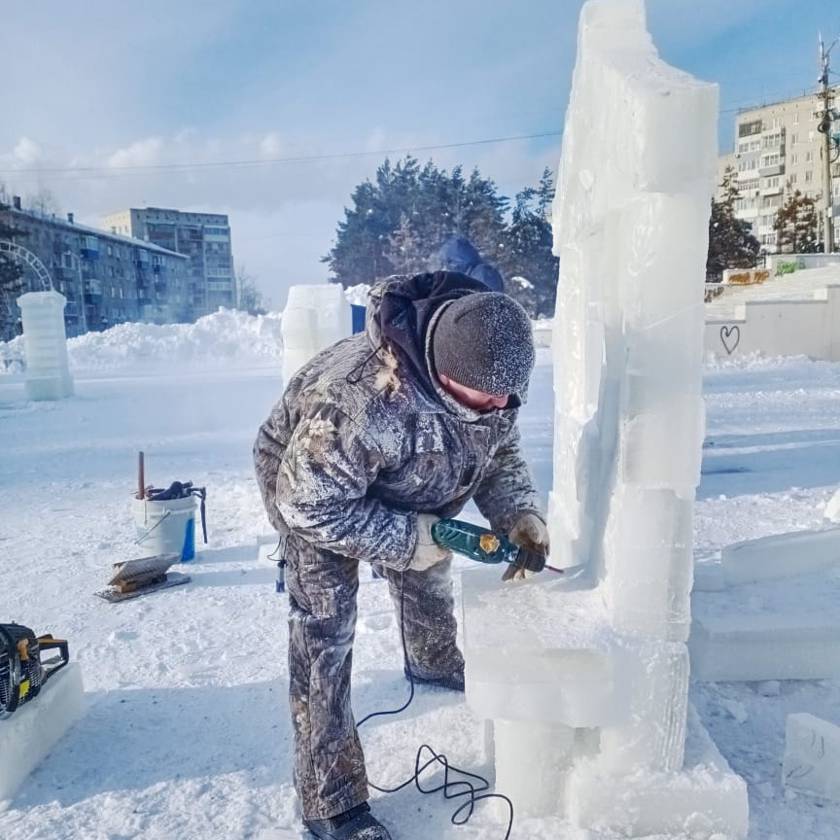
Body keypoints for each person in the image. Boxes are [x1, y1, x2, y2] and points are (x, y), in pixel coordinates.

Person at [254, 271, 548, 840]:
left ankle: (433, 658)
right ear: (441, 373)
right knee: (326, 625)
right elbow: (308, 505)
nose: (502, 405)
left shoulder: (492, 371)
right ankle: (330, 799)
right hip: (314, 485)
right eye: (487, 397)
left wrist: (518, 515)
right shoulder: (357, 403)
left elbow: (498, 447)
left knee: (431, 558)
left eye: (509, 396)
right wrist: (407, 539)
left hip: (407, 466)